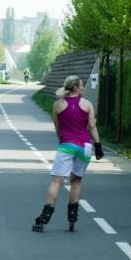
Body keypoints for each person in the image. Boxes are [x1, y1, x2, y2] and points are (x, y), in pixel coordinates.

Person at [33, 75, 104, 232]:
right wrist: (98, 146)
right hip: (84, 146)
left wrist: (63, 141)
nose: (83, 88)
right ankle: (72, 215)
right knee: (76, 180)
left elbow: (58, 128)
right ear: (76, 88)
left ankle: (45, 215)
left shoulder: (57, 105)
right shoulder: (87, 104)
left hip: (67, 145)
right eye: (82, 86)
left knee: (57, 181)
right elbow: (92, 127)